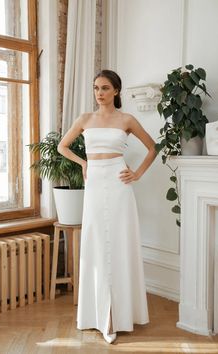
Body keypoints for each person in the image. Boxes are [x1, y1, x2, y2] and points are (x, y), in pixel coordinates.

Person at [57, 69, 157, 344]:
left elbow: (152, 147)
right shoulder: (85, 119)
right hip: (94, 182)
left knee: (119, 243)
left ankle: (117, 316)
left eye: (104, 88)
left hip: (118, 181)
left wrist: (136, 174)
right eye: (95, 88)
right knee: (98, 245)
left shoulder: (126, 119)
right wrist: (84, 163)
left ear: (116, 91)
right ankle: (97, 315)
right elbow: (62, 147)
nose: (99, 93)